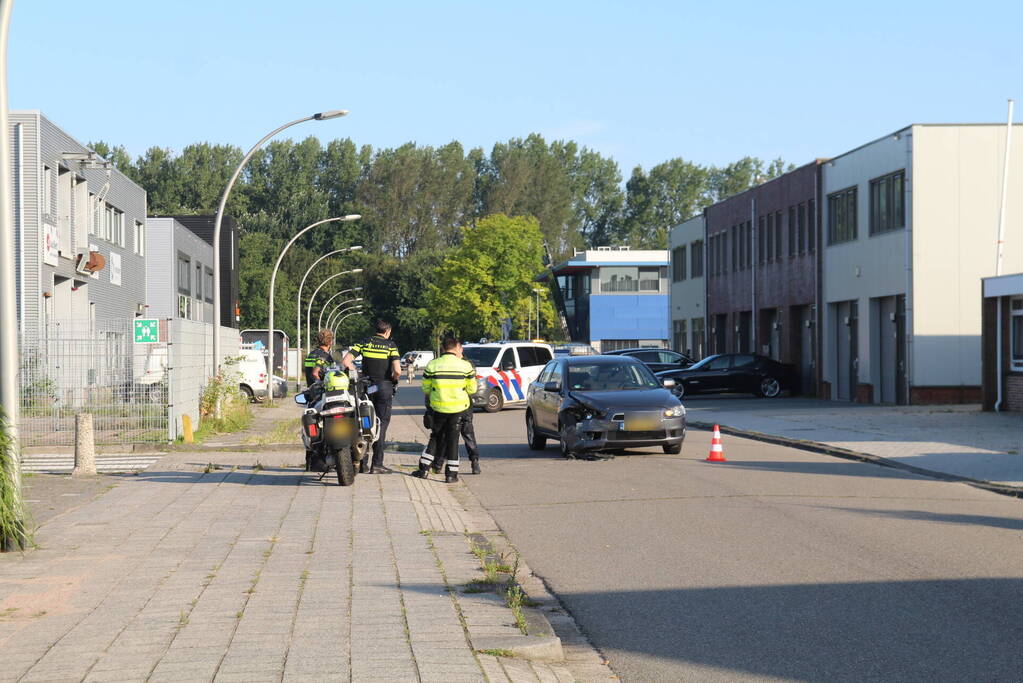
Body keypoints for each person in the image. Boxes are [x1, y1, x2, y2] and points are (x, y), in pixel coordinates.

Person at [413, 336, 475, 483]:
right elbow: (472, 389)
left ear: (443, 348)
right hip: (458, 408)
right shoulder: (466, 366)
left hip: (438, 408)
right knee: (453, 440)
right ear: (456, 347)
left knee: (435, 437)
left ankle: (424, 469)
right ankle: (451, 475)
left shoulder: (432, 365)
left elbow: (425, 388)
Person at [343, 320, 401, 474]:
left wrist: (358, 373)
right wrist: (394, 379)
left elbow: (346, 361)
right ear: (387, 331)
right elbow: (397, 370)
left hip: (366, 387)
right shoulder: (391, 345)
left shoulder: (364, 343)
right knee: (380, 424)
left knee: (363, 423)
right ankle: (377, 464)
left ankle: (362, 463)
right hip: (384, 387)